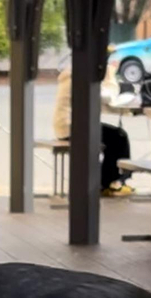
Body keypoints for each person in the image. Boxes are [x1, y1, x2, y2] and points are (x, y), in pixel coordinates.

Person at [53, 62, 133, 197]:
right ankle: (112, 182)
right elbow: (106, 97)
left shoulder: (72, 72)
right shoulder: (80, 75)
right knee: (119, 137)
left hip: (67, 125)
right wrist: (110, 74)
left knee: (114, 136)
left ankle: (108, 181)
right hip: (73, 126)